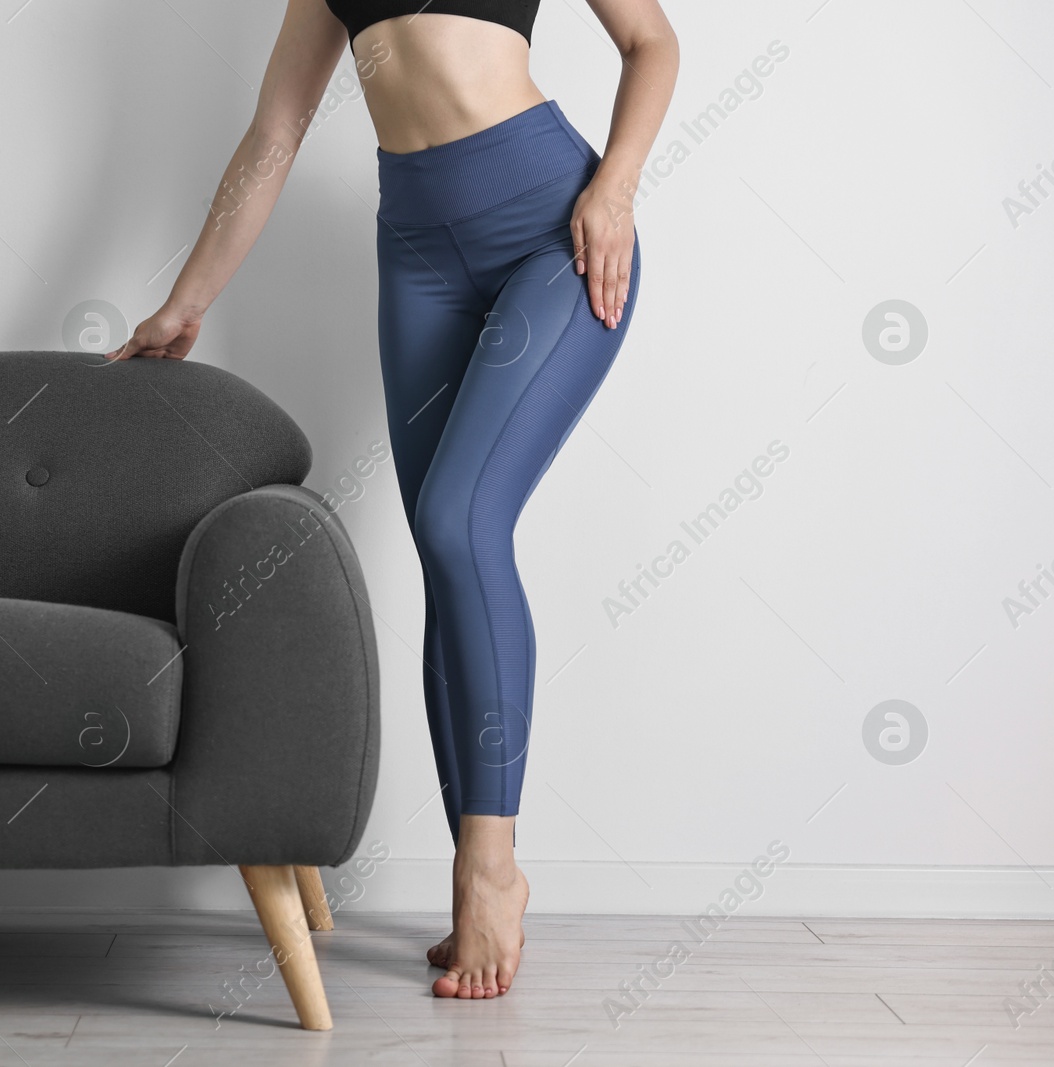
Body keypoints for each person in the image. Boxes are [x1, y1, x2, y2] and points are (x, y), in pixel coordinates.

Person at [106, 0, 679, 1000]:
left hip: (550, 228)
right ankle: (478, 869)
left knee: (463, 521)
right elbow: (273, 135)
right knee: (439, 542)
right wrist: (186, 300)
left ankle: (491, 868)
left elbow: (651, 42)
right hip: (416, 254)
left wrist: (617, 189)